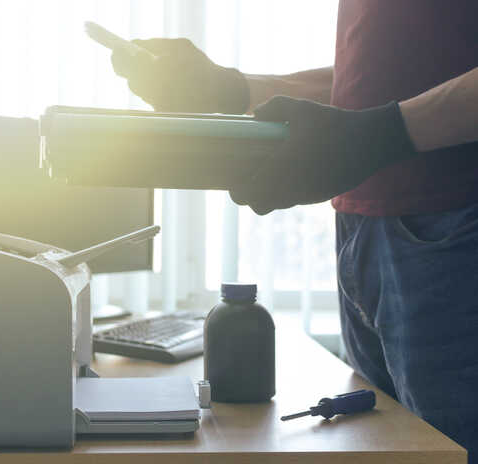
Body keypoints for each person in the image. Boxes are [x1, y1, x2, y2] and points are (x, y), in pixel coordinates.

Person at [110, 0, 478, 460]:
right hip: (367, 229)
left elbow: (384, 116)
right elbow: (384, 78)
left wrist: (380, 132)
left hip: (456, 225)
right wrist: (233, 89)